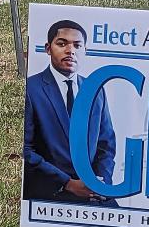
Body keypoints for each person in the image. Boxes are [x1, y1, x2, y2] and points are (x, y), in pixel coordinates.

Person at [23, 20, 116, 203]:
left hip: (92, 192)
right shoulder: (31, 89)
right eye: (62, 43)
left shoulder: (95, 89)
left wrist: (100, 183)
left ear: (85, 51)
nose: (70, 50)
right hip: (49, 191)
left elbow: (106, 145)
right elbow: (25, 149)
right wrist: (68, 183)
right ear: (48, 48)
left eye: (77, 45)